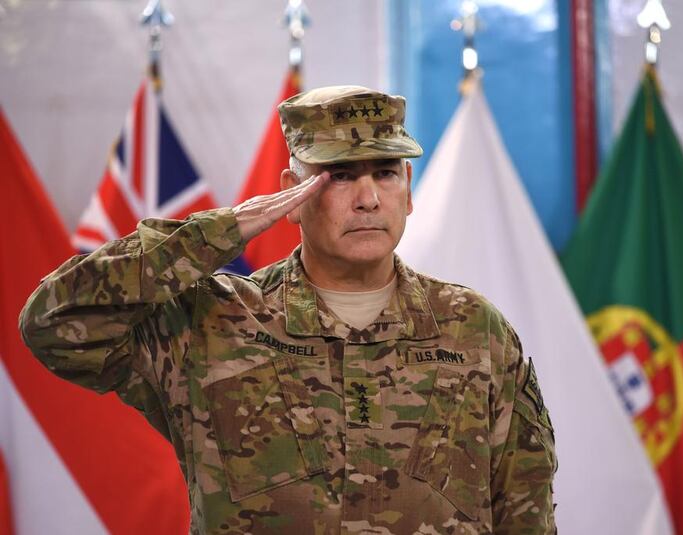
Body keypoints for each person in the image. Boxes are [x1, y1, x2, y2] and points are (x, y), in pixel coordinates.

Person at [19, 86, 556, 534]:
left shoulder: (472, 328)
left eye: (386, 172)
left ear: (408, 189)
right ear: (292, 194)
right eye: (340, 175)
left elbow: (525, 507)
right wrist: (219, 232)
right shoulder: (214, 326)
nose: (369, 198)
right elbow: (53, 323)